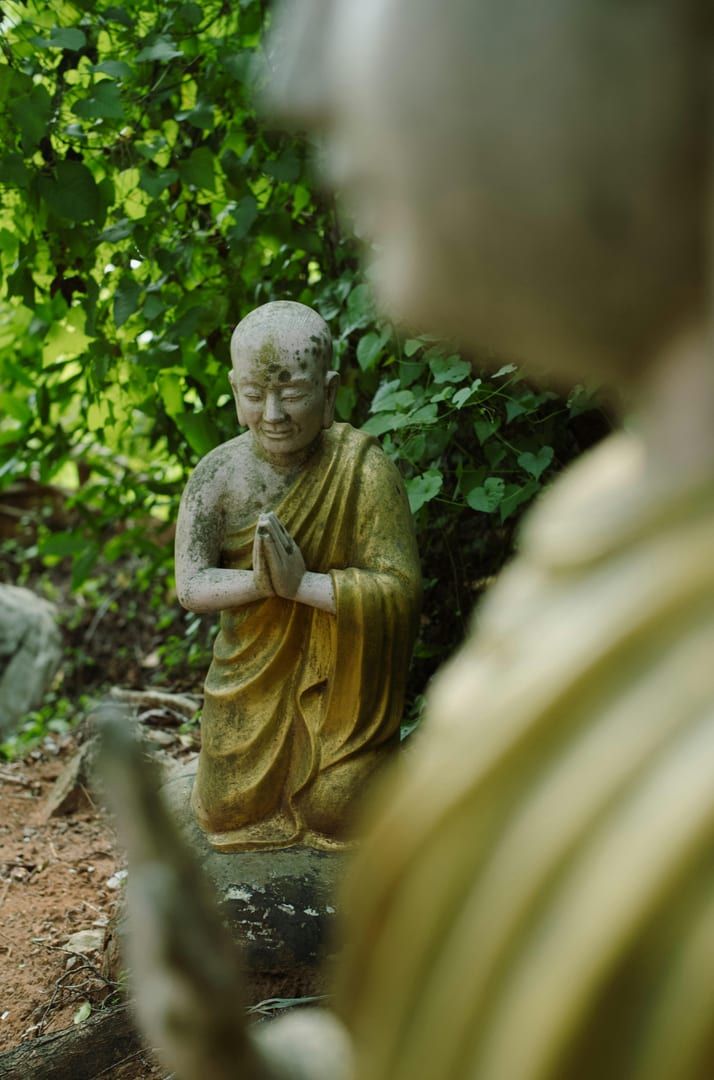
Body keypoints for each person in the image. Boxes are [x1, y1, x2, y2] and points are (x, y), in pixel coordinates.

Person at [175, 300, 421, 851]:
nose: (274, 414)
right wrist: (262, 586)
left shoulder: (364, 470)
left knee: (338, 809)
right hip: (249, 680)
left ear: (329, 392)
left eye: (291, 393)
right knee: (226, 808)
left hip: (338, 696)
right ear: (236, 392)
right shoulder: (217, 474)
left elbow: (400, 593)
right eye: (256, 395)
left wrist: (304, 586)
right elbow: (190, 585)